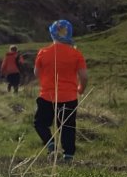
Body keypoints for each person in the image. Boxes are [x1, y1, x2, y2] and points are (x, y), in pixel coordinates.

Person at [32, 19, 88, 163]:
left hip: (47, 96)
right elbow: (84, 76)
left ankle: (50, 143)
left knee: (40, 123)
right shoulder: (76, 54)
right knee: (67, 127)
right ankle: (68, 156)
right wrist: (80, 89)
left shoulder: (43, 52)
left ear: (52, 34)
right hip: (69, 97)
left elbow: (36, 73)